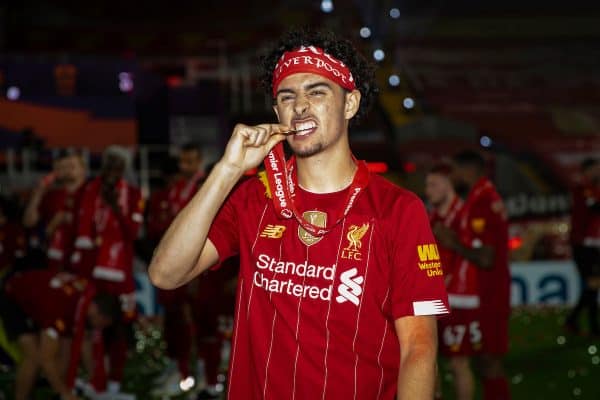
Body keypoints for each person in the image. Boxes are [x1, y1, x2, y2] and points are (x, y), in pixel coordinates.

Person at [149, 28, 449, 400]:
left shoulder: (397, 210)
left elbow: (419, 349)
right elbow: (166, 273)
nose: (300, 105)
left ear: (350, 104)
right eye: (287, 97)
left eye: (317, 92)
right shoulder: (254, 197)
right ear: (277, 113)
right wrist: (227, 169)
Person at [434, 150, 510, 400]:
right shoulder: (480, 198)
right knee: (480, 361)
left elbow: (486, 258)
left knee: (488, 361)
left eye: (455, 171)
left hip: (488, 293)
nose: (453, 176)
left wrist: (453, 244)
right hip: (484, 293)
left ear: (468, 171)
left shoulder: (482, 203)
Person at [72, 145, 144, 391]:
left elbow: (133, 234)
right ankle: (95, 381)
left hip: (121, 274)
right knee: (91, 328)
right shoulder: (89, 190)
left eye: (118, 165)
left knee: (121, 328)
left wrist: (115, 206)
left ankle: (114, 385)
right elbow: (78, 231)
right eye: (109, 164)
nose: (113, 169)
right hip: (92, 272)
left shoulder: (133, 194)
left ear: (124, 169)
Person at [0, 269, 120, 400]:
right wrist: (65, 393)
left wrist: (97, 383)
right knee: (33, 357)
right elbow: (45, 358)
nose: (99, 328)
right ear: (97, 312)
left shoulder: (85, 301)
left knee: (65, 354)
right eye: (102, 324)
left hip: (40, 299)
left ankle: (55, 394)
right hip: (13, 297)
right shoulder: (60, 308)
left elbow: (85, 346)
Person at [151, 144, 207, 397]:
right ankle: (180, 370)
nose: (185, 166)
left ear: (200, 161)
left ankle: (199, 375)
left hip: (199, 267)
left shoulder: (205, 186)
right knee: (175, 321)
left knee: (195, 323)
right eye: (182, 161)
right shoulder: (174, 189)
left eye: (190, 161)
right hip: (175, 263)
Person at [426, 164, 479, 400]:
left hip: (459, 298)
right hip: (435, 296)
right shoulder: (435, 215)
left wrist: (454, 241)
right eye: (427, 185)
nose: (428, 191)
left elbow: (479, 253)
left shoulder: (465, 214)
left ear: (449, 185)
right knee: (427, 358)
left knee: (458, 363)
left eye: (433, 184)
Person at [23, 149, 87, 272]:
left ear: (83, 169)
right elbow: (28, 222)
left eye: (71, 166)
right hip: (55, 262)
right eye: (61, 167)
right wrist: (38, 194)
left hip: (86, 263)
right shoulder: (51, 196)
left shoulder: (93, 193)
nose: (66, 170)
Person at [565, 157, 600, 336]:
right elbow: (594, 208)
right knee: (593, 283)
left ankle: (577, 322)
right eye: (595, 169)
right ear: (587, 171)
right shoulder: (583, 190)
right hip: (582, 244)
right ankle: (588, 325)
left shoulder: (593, 189)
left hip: (593, 244)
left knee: (592, 285)